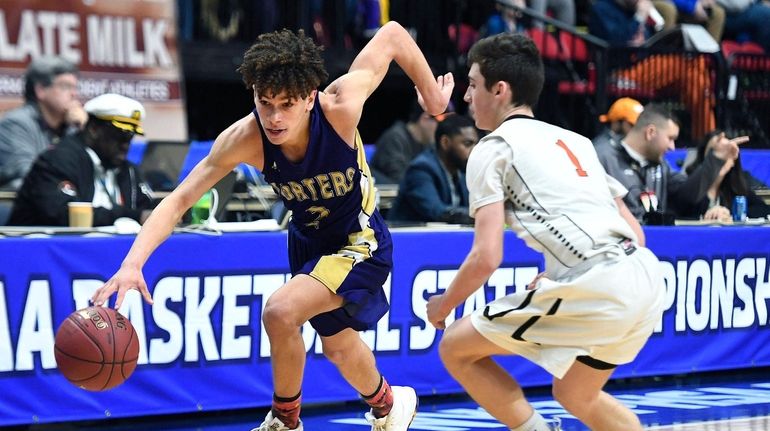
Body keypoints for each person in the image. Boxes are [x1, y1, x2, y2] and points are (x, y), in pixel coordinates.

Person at [90, 23, 453, 431]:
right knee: (337, 347)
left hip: (359, 238)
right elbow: (178, 201)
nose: (275, 117)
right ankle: (391, 404)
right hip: (308, 242)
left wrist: (434, 95)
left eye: (287, 104)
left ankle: (285, 420)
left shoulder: (340, 106)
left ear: (310, 97)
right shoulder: (244, 138)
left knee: (279, 312)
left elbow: (391, 36)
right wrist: (132, 263)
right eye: (266, 104)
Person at [425, 32, 663, 431]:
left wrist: (444, 307)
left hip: (600, 283)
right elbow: (635, 233)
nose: (466, 96)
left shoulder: (492, 147)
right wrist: (559, 276)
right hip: (646, 277)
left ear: (499, 90)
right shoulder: (577, 140)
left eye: (472, 84)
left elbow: (486, 257)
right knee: (576, 394)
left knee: (454, 348)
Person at [8, 93, 154, 227]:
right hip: (39, 251)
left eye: (131, 136)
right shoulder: (58, 160)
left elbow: (147, 208)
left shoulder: (126, 169)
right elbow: (65, 214)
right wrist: (134, 216)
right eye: (120, 134)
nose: (126, 144)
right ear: (94, 129)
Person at [589, 0, 717, 142]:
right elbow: (617, 42)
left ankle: (705, 138)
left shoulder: (637, 9)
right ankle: (707, 140)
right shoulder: (602, 9)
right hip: (620, 72)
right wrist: (639, 17)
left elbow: (650, 42)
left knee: (695, 70)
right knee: (690, 65)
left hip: (645, 67)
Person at [596, 103, 740, 223]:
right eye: (670, 138)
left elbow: (688, 195)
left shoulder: (661, 165)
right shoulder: (603, 158)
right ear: (650, 132)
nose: (673, 147)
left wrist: (716, 158)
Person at [0, 56, 87, 191]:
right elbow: (27, 176)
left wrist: (84, 130)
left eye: (75, 87)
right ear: (40, 90)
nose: (74, 94)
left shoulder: (72, 128)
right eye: (66, 87)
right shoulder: (15, 125)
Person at [387, 113, 478, 224]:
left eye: (475, 144)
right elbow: (436, 211)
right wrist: (481, 214)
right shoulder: (421, 169)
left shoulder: (461, 170)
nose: (474, 151)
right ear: (445, 142)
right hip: (410, 239)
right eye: (467, 144)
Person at [684, 130, 769, 220]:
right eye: (715, 152)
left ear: (733, 161)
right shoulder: (689, 182)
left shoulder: (738, 184)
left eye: (727, 152)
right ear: (704, 156)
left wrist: (731, 213)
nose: (721, 157)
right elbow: (681, 212)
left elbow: (764, 209)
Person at [369, 100, 448, 185]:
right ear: (425, 118)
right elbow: (400, 179)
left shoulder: (428, 144)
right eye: (440, 121)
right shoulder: (395, 139)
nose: (442, 129)